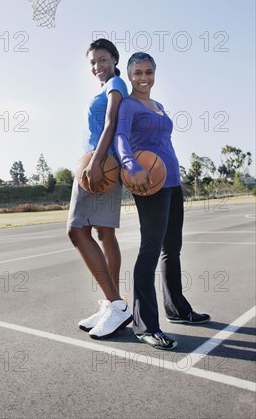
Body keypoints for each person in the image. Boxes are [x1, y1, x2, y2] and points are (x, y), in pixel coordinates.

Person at [114, 52, 210, 350]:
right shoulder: (127, 105)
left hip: (172, 182)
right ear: (129, 75)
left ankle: (178, 310)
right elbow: (120, 137)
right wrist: (132, 166)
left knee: (172, 249)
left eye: (149, 71)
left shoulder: (159, 106)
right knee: (150, 250)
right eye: (138, 72)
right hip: (149, 184)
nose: (144, 77)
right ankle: (145, 326)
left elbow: (163, 142)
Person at [67, 38, 133, 339]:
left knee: (76, 229)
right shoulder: (104, 86)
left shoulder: (115, 84)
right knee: (105, 233)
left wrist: (96, 162)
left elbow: (110, 122)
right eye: (93, 62)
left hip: (101, 165)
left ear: (114, 59)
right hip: (99, 163)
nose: (97, 66)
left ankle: (116, 304)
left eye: (103, 59)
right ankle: (111, 303)